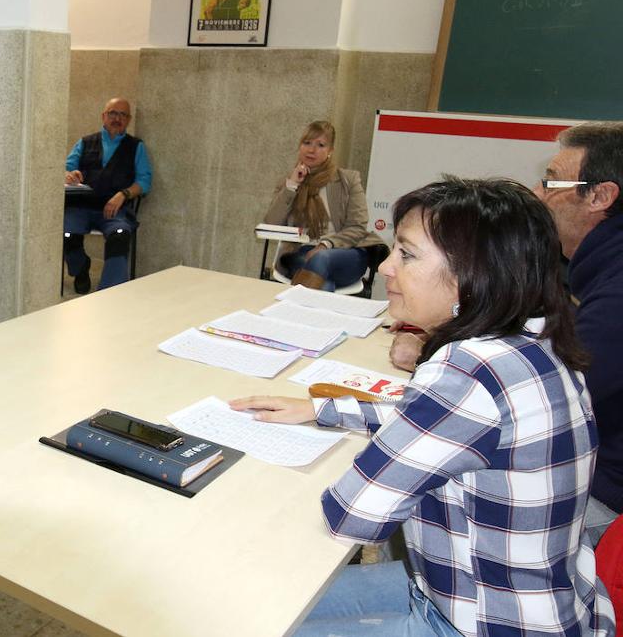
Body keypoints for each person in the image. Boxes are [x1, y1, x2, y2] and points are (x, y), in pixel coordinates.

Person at [232, 178, 615, 636]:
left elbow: (352, 515)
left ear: (473, 274)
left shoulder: (468, 369)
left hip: (476, 621)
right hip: (539, 605)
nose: (388, 268)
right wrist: (324, 410)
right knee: (265, 601)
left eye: (407, 254)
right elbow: (461, 425)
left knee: (248, 611)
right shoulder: (537, 342)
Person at [391, 122, 623, 545]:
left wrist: (437, 346)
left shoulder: (616, 291)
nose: (538, 194)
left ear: (601, 196)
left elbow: (537, 395)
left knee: (420, 494)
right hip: (568, 464)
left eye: (552, 181)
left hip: (596, 495)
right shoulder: (595, 266)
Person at [261, 120, 384, 291]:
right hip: (302, 254)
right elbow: (271, 224)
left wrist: (325, 244)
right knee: (324, 283)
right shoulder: (289, 182)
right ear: (300, 146)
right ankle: (315, 315)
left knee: (320, 259)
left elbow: (357, 227)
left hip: (346, 253)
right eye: (307, 143)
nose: (312, 150)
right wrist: (292, 185)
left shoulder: (348, 180)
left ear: (330, 151)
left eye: (320, 145)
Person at [64, 97, 151, 293]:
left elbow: (145, 181)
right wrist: (69, 175)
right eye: (113, 113)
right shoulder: (85, 142)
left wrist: (124, 194)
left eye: (122, 114)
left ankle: (110, 292)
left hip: (116, 210)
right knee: (65, 231)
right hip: (81, 207)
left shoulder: (136, 147)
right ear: (104, 116)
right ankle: (80, 269)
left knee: (120, 235)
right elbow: (65, 170)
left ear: (128, 120)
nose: (117, 118)